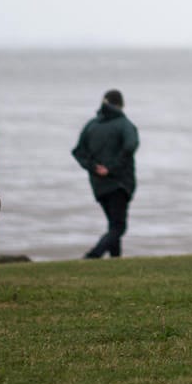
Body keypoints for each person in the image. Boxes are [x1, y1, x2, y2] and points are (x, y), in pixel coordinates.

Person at [71, 88, 139, 258]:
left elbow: (78, 152)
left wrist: (94, 167)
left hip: (98, 183)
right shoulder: (125, 124)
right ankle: (94, 255)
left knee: (113, 224)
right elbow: (130, 146)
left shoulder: (91, 125)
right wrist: (111, 168)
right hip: (119, 182)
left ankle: (115, 259)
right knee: (119, 226)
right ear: (121, 104)